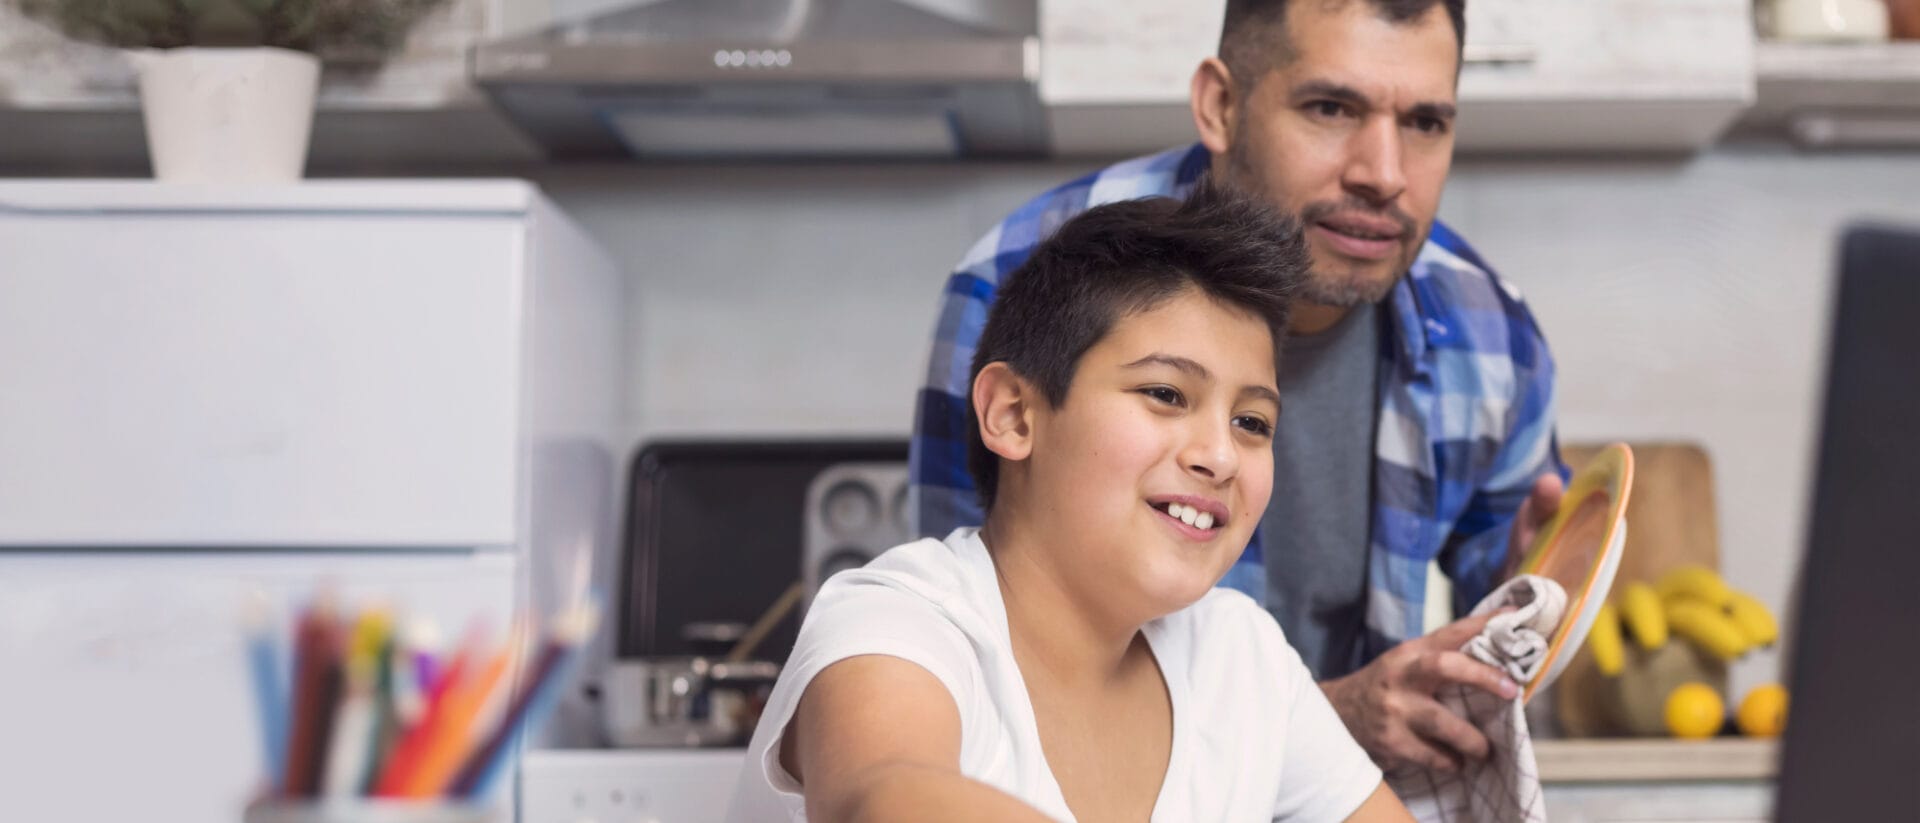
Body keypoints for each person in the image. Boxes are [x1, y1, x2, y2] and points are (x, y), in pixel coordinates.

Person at [909, 0, 1568, 775]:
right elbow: (978, 663)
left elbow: (1509, 639)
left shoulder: (1493, 335)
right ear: (1220, 105)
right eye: (1331, 108)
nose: (1383, 174)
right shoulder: (1018, 282)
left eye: (1425, 123)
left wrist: (1534, 593)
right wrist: (1326, 719)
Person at [729, 182, 1411, 821]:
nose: (1222, 455)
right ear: (1013, 414)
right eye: (1166, 394)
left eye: (1252, 422)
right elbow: (888, 797)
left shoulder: (1240, 654)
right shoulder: (897, 622)